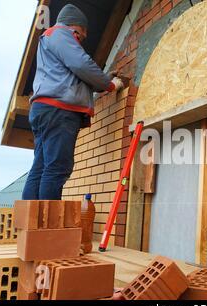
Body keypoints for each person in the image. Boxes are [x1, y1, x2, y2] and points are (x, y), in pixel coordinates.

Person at [22, 4, 128, 200]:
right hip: (59, 111)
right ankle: (49, 226)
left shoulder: (51, 40)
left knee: (41, 167)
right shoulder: (60, 33)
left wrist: (104, 79)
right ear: (72, 25)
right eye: (81, 32)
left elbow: (75, 78)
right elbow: (80, 64)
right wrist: (110, 85)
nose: (82, 38)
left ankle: (30, 225)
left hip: (45, 109)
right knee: (57, 168)